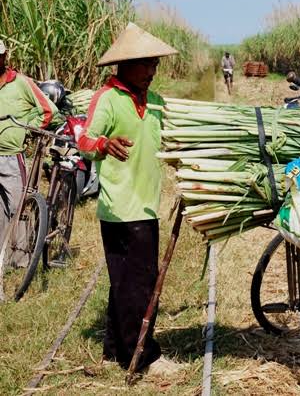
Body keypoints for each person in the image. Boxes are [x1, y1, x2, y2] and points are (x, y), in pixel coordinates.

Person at [77, 22, 182, 376]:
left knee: (124, 280)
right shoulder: (108, 98)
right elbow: (85, 142)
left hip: (147, 203)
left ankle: (113, 347)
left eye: (155, 65)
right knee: (139, 282)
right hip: (120, 206)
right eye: (145, 65)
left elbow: (170, 140)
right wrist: (105, 145)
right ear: (125, 65)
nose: (152, 72)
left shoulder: (155, 102)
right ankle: (141, 356)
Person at [0, 39, 59, 268]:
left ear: (4, 57)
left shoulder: (22, 83)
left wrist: (27, 128)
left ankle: (20, 261)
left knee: (18, 207)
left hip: (12, 157)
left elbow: (48, 110)